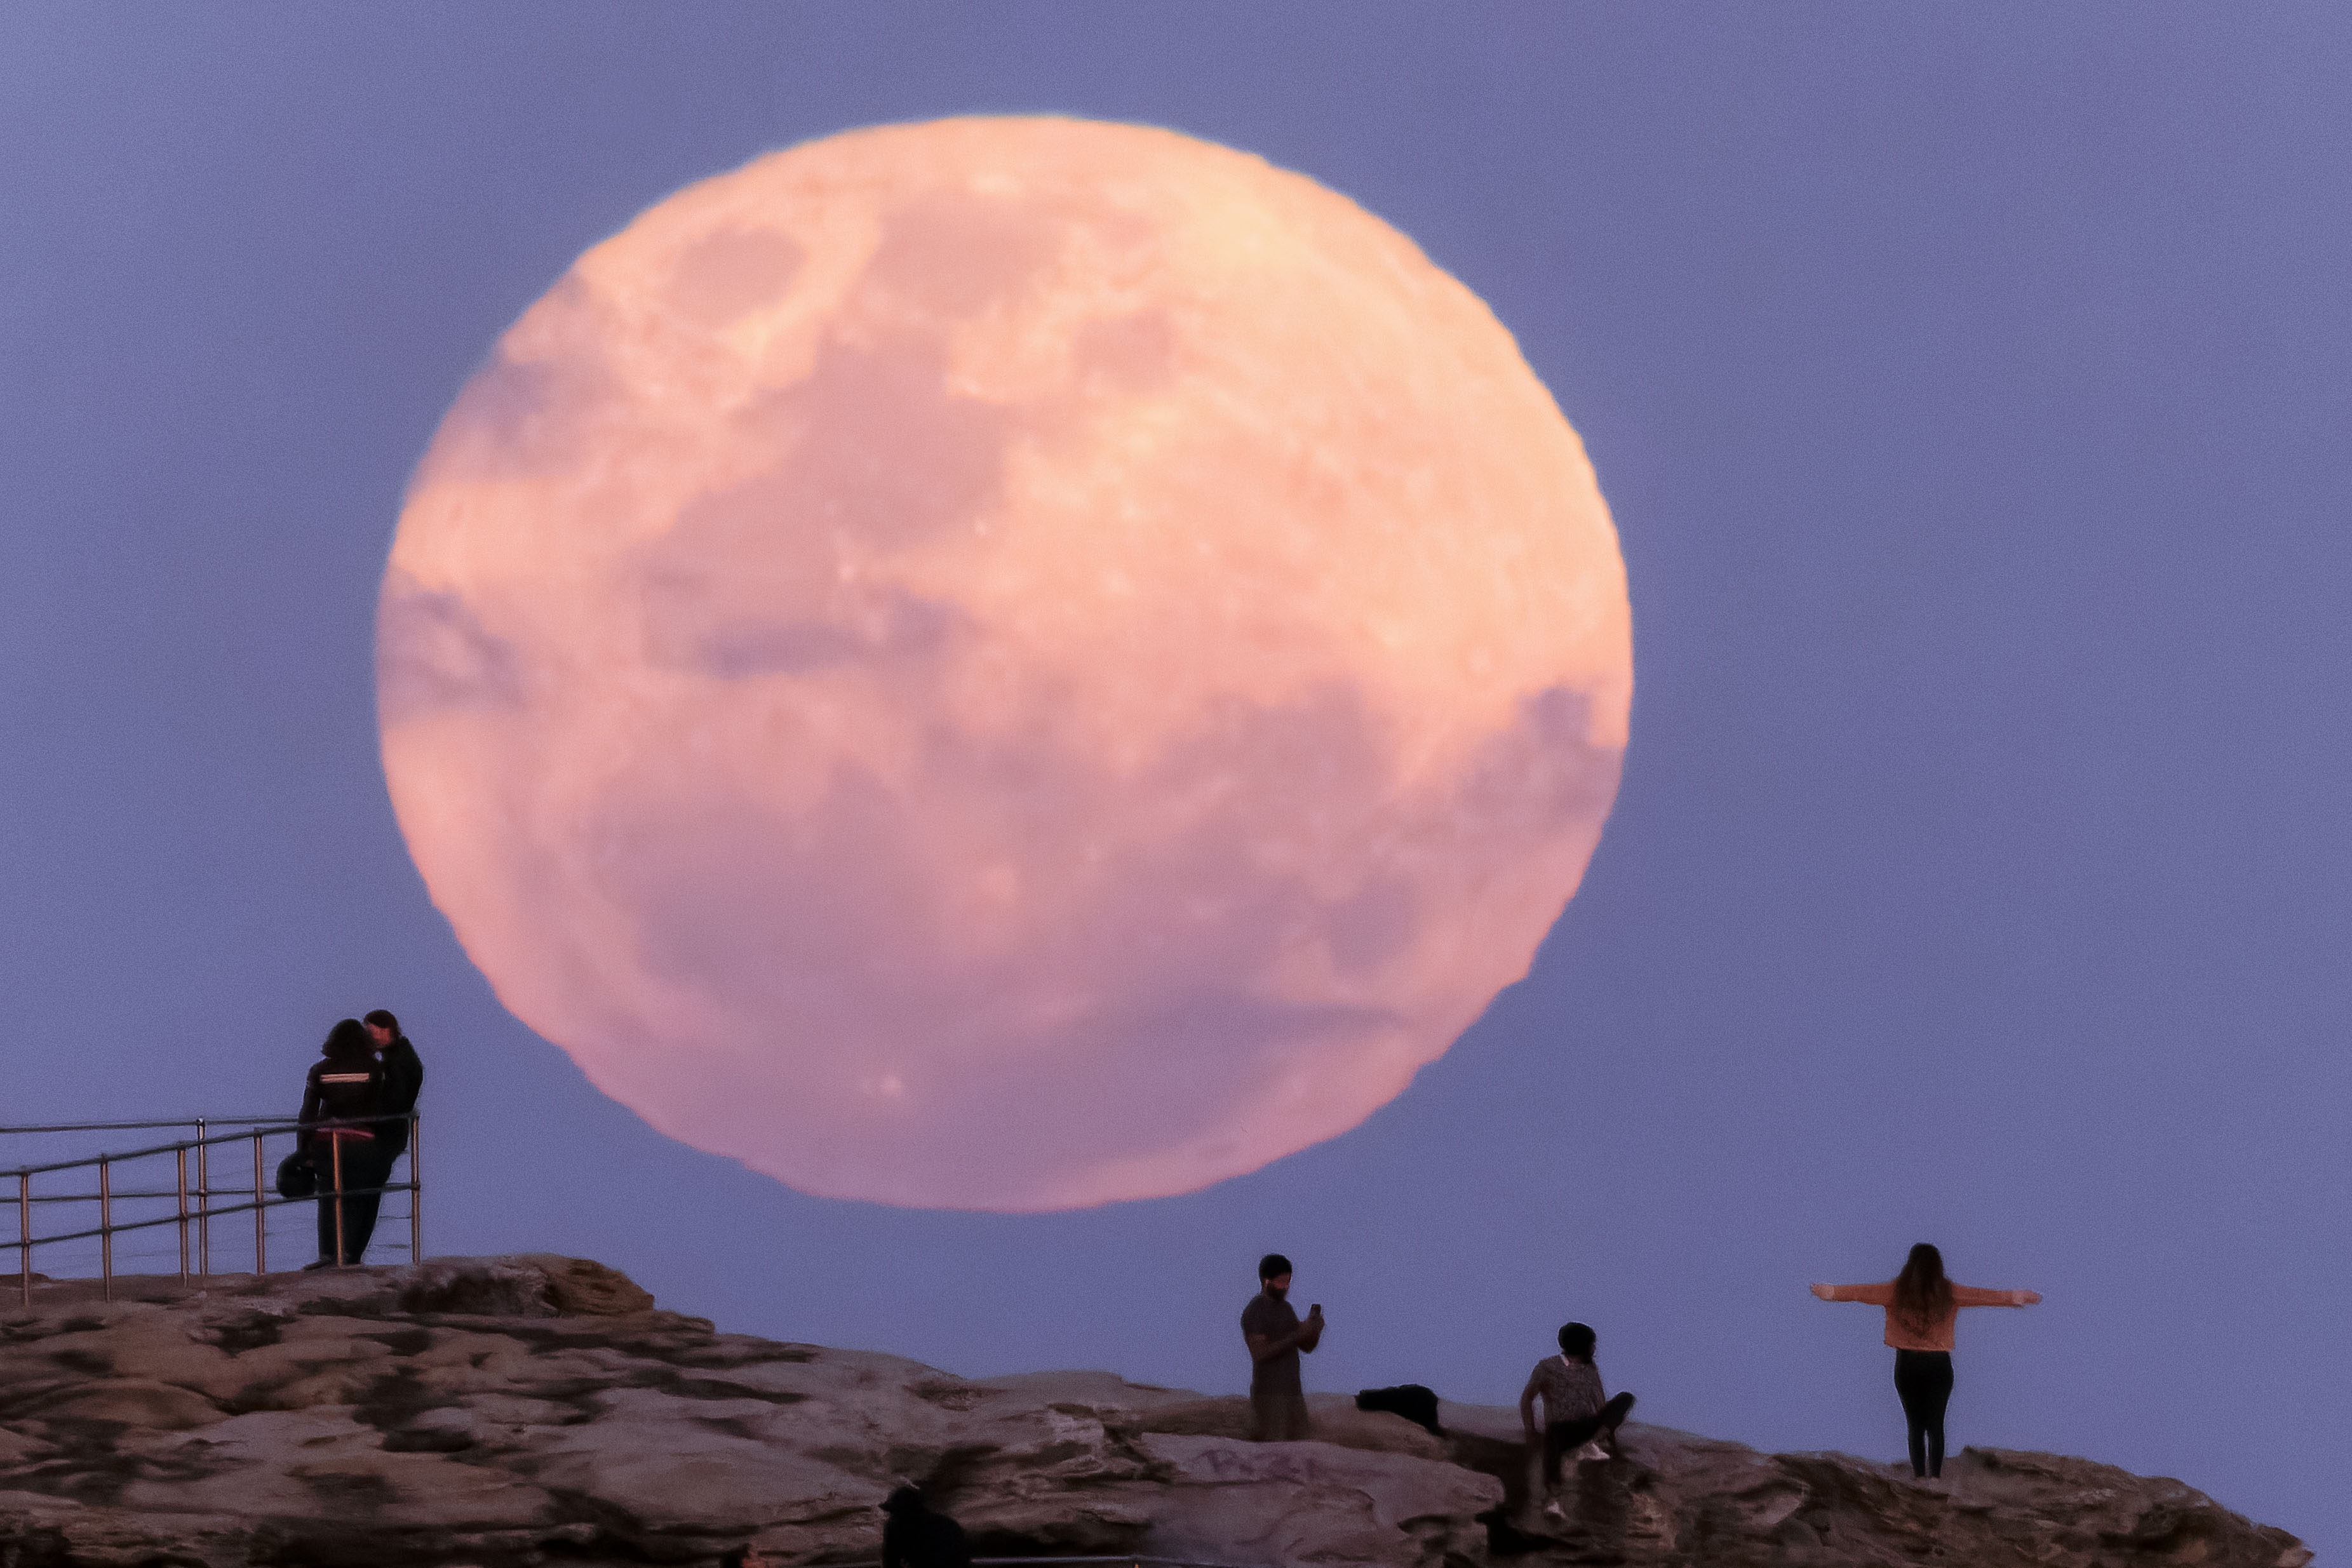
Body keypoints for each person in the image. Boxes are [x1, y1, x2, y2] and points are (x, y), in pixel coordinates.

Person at [1812, 1243, 2042, 1480]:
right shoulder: (1948, 1292)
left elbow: (1859, 1293)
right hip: (1938, 1365)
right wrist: (2016, 1297)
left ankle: (1919, 1477)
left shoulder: (1896, 1291)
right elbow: (1983, 1296)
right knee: (1936, 1425)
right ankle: (1935, 1478)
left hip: (1907, 1365)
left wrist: (1828, 1292)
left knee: (1915, 1425)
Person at [297, 1018, 389, 1268]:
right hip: (362, 1142)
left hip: (327, 1141)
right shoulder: (374, 1069)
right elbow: (379, 1111)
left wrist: (303, 1151)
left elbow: (308, 1114)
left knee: (329, 1196)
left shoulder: (320, 1070)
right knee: (362, 1197)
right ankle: (351, 1255)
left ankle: (327, 1255)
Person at [1519, 1322, 1636, 1517]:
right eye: (1592, 1344)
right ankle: (1553, 1500)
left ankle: (1592, 1444)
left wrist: (1609, 1436)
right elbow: (1527, 1399)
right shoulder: (1547, 1367)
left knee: (1626, 1398)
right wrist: (1530, 1431)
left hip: (1587, 1427)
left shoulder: (1590, 1370)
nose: (1595, 1349)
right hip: (1561, 1430)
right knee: (1552, 1440)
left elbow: (1600, 1404)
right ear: (1583, 1345)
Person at [1240, 1252, 1324, 1442]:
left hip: (1293, 1394)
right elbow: (1259, 1352)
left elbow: (1306, 1347)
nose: (1286, 1287)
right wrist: (1296, 1336)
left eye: (1288, 1282)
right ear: (1266, 1281)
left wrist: (1314, 1330)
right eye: (1281, 1282)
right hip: (1270, 1397)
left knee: (1301, 1448)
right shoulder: (1255, 1311)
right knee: (1274, 1453)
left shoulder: (1286, 1309)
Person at [362, 1008, 425, 1167]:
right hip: (393, 1131)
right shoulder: (398, 1057)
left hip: (388, 1133)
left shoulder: (396, 1062)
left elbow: (395, 1101)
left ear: (386, 1030)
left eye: (371, 1032)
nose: (368, 1039)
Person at [880, 1485, 971, 1568]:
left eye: (895, 1512)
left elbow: (890, 1562)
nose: (891, 1517)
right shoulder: (948, 1526)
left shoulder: (897, 1528)